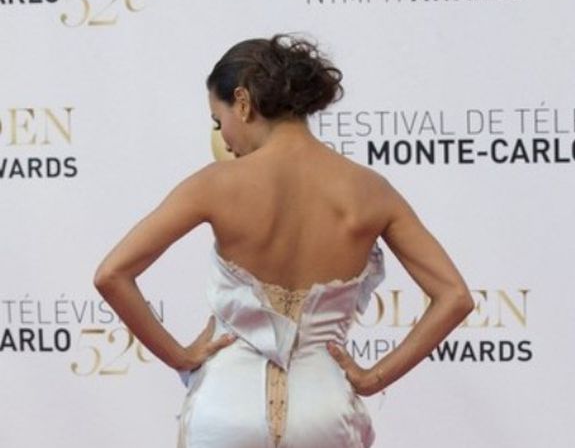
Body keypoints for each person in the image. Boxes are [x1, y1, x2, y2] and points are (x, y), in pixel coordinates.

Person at [93, 32, 474, 448]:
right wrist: (373, 378)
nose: (224, 139)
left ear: (243, 102)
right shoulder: (370, 190)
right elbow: (455, 296)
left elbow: (112, 274)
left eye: (219, 122)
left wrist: (179, 356)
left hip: (226, 406)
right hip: (323, 409)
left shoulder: (216, 184)